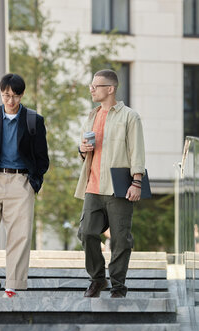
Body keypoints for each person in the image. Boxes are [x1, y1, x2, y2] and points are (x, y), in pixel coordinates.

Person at [0, 73, 49, 298]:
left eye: (14, 96)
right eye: (6, 95)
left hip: (20, 181)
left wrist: (33, 182)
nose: (10, 100)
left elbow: (42, 158)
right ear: (1, 93)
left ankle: (12, 286)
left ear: (22, 95)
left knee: (19, 236)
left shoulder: (34, 120)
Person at [75, 69, 145, 298]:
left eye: (96, 86)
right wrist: (82, 150)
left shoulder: (129, 116)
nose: (91, 89)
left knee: (120, 239)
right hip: (92, 185)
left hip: (119, 186)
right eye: (91, 85)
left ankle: (118, 285)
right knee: (86, 233)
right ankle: (98, 279)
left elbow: (137, 151)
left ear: (111, 89)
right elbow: (87, 149)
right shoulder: (91, 115)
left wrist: (137, 182)